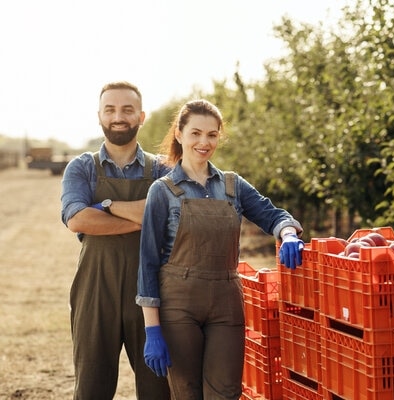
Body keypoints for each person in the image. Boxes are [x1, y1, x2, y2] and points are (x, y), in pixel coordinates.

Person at [136, 99, 304, 399]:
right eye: (196, 133)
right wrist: (152, 329)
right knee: (187, 392)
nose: (204, 142)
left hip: (226, 301)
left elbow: (272, 214)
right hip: (179, 304)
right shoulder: (162, 191)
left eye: (212, 135)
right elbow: (148, 262)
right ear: (179, 134)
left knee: (226, 392)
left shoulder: (232, 186)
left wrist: (288, 233)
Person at [60, 81, 171, 399]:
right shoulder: (82, 168)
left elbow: (173, 217)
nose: (118, 117)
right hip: (96, 292)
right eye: (110, 110)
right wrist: (146, 220)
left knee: (158, 389)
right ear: (99, 116)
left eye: (127, 109)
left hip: (152, 293)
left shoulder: (163, 169)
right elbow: (78, 219)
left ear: (142, 116)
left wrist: (108, 210)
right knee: (92, 388)